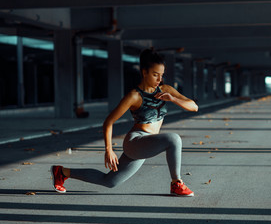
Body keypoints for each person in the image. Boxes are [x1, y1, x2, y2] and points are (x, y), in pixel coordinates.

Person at [51, 48, 198, 197]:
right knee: (173, 139)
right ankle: (176, 183)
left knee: (110, 181)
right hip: (136, 141)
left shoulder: (165, 89)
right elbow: (109, 121)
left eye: (161, 75)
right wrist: (109, 149)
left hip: (148, 143)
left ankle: (62, 172)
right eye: (155, 75)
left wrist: (173, 99)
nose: (159, 79)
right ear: (144, 72)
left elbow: (194, 107)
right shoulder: (134, 96)